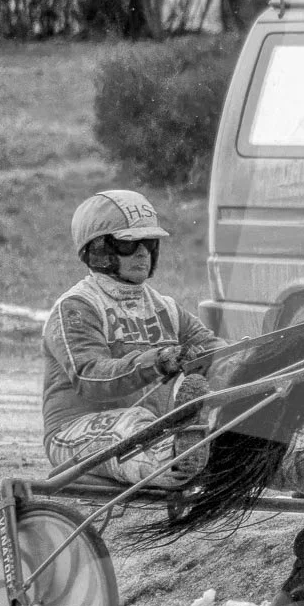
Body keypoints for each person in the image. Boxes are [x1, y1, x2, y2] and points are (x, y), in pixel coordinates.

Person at [41, 189, 227, 487]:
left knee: (243, 429)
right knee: (134, 423)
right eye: (130, 244)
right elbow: (90, 378)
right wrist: (156, 362)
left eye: (149, 243)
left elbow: (215, 354)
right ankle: (179, 457)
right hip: (73, 432)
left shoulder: (165, 307)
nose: (143, 252)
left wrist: (256, 362)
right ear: (99, 250)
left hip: (158, 426)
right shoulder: (76, 307)